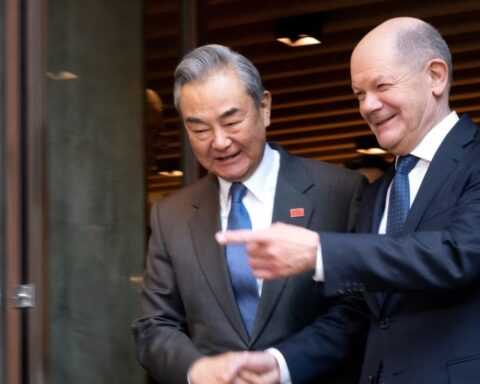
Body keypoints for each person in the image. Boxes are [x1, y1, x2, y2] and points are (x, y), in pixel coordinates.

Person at [218, 17, 480, 383]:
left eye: (381, 85)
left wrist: (321, 252)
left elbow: (459, 253)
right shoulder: (378, 192)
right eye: (359, 93)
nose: (368, 106)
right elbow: (360, 311)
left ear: (436, 76)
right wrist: (280, 363)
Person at [131, 44, 368, 384]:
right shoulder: (171, 216)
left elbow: (356, 308)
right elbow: (154, 325)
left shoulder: (340, 192)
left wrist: (281, 364)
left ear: (264, 107)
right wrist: (196, 370)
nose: (220, 142)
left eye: (232, 121)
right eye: (200, 130)